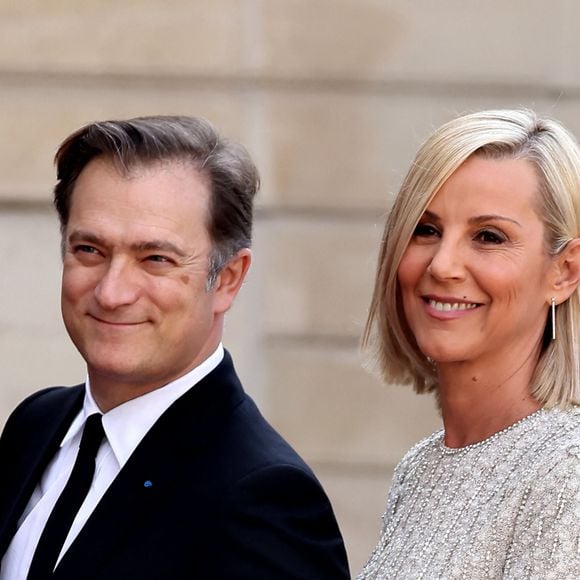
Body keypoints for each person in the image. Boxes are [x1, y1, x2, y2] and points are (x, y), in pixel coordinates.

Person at [0, 116, 349, 580]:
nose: (112, 292)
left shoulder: (264, 499)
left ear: (227, 279)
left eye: (155, 259)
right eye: (89, 250)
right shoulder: (36, 426)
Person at [358, 109, 580, 579]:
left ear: (564, 272)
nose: (443, 265)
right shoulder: (418, 470)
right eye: (427, 229)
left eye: (488, 236)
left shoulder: (567, 475)